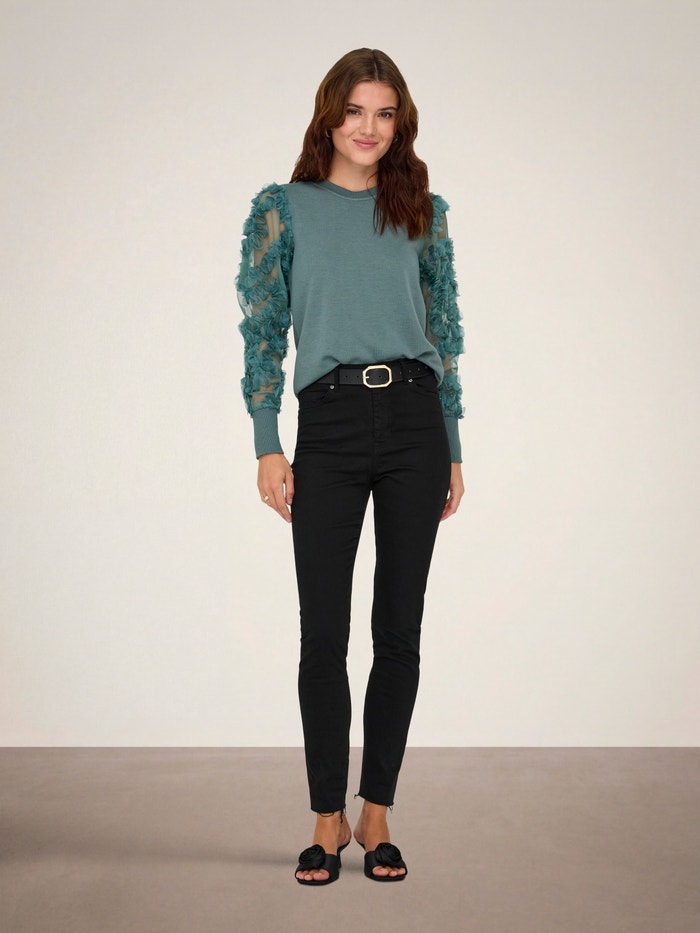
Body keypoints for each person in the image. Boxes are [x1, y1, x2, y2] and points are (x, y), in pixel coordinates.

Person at [237, 48, 464, 885]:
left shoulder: (422, 211)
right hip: (328, 424)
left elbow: (444, 331)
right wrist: (268, 440)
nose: (369, 127)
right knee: (323, 634)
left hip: (415, 422)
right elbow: (263, 331)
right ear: (330, 115)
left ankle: (378, 811)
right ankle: (326, 818)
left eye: (385, 113)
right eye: (356, 110)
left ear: (400, 123)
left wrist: (454, 445)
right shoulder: (283, 209)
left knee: (398, 630)